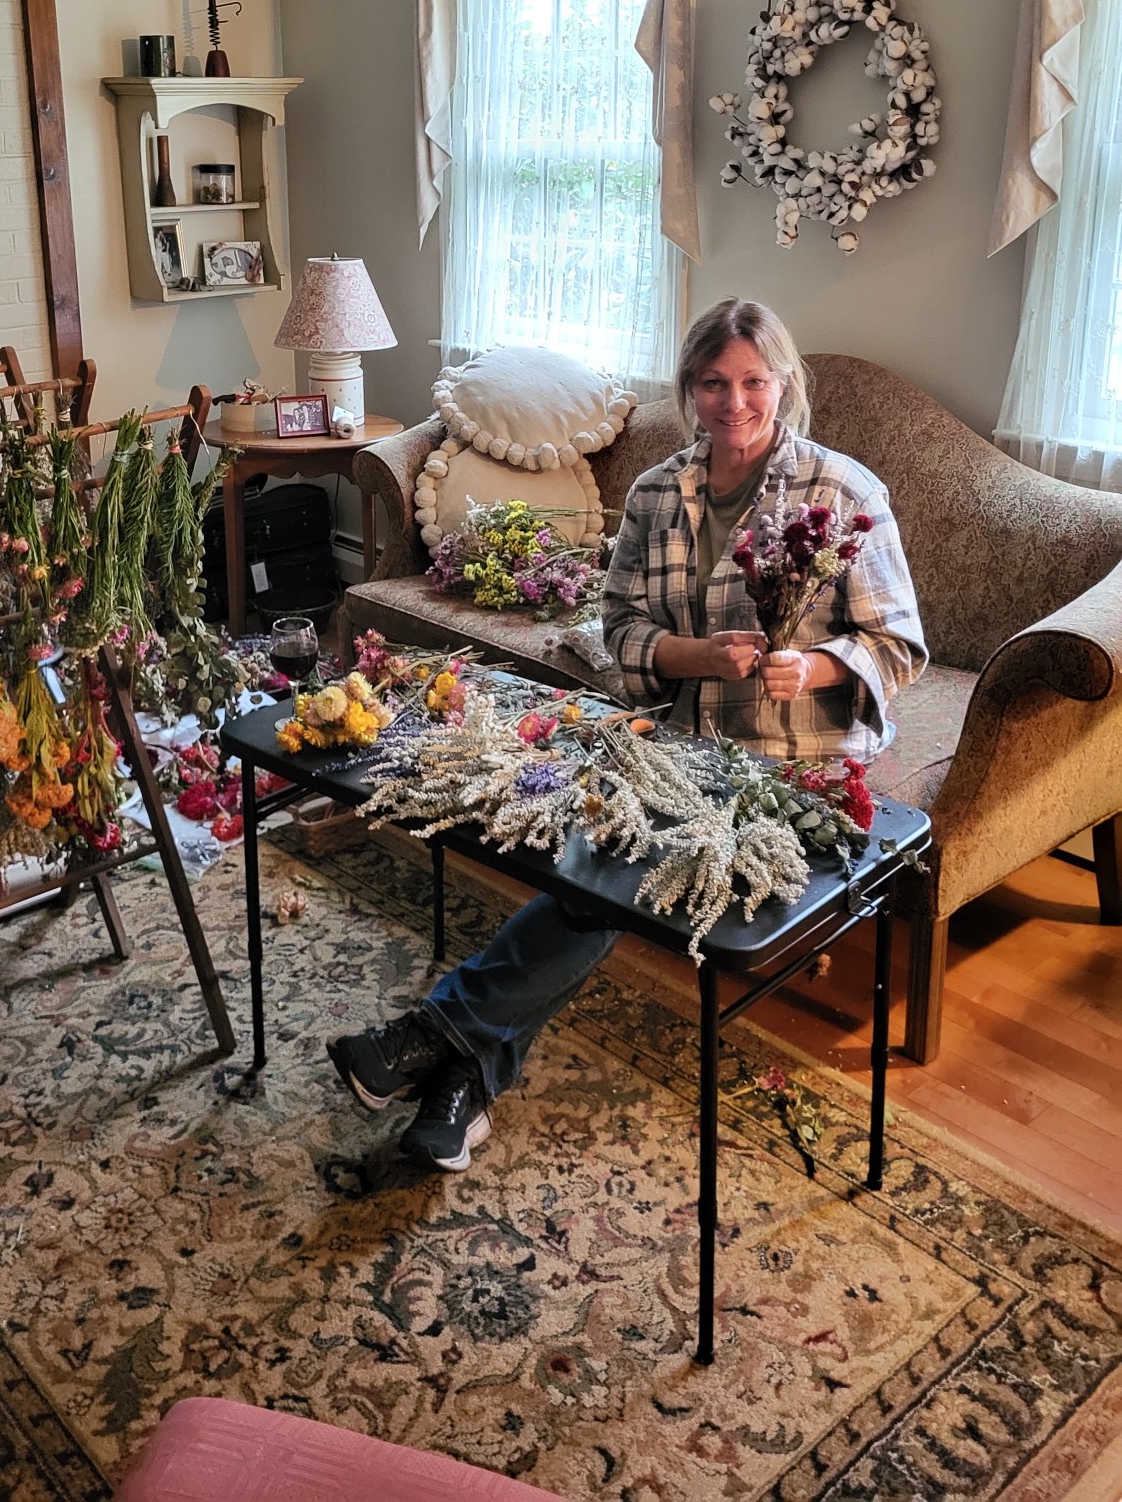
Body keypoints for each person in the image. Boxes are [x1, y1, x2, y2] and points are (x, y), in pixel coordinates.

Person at [327, 299, 927, 1173]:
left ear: (784, 384)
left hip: (799, 766)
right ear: (688, 390)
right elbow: (621, 633)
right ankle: (458, 1084)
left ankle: (438, 1042)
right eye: (715, 383)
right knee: (594, 864)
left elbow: (900, 644)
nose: (735, 402)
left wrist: (820, 667)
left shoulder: (841, 494)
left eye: (754, 381)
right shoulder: (656, 494)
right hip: (683, 742)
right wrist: (700, 657)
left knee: (607, 877)